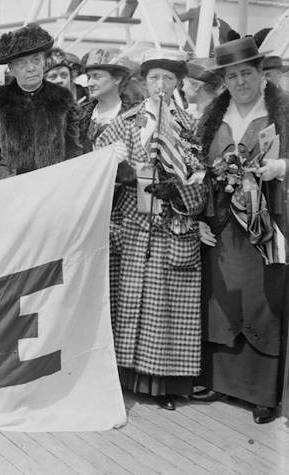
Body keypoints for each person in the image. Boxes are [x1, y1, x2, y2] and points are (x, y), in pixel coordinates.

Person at [95, 49, 206, 411]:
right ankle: (124, 377)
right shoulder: (126, 122)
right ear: (144, 82)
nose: (161, 85)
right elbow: (97, 159)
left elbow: (203, 182)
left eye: (168, 79)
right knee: (129, 302)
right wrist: (122, 175)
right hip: (132, 226)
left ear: (178, 84)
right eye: (155, 78)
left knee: (165, 306)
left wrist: (179, 189)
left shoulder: (189, 126)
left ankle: (163, 386)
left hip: (171, 227)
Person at [193, 37, 289, 424]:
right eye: (232, 76)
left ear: (262, 75)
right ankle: (221, 381)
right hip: (222, 224)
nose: (240, 81)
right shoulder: (214, 118)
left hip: (268, 222)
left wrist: (278, 168)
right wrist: (198, 215)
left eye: (247, 73)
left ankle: (262, 392)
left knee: (263, 299)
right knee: (223, 297)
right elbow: (196, 169)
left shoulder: (280, 113)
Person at [0, 23, 81, 179]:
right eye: (21, 63)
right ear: (11, 69)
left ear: (43, 62)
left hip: (55, 185)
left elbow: (75, 152)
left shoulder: (64, 100)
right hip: (13, 189)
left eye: (35, 60)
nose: (31, 68)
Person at [76, 48, 140, 153]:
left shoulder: (137, 114)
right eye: (89, 77)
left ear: (117, 79)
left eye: (97, 76)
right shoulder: (78, 114)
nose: (90, 83)